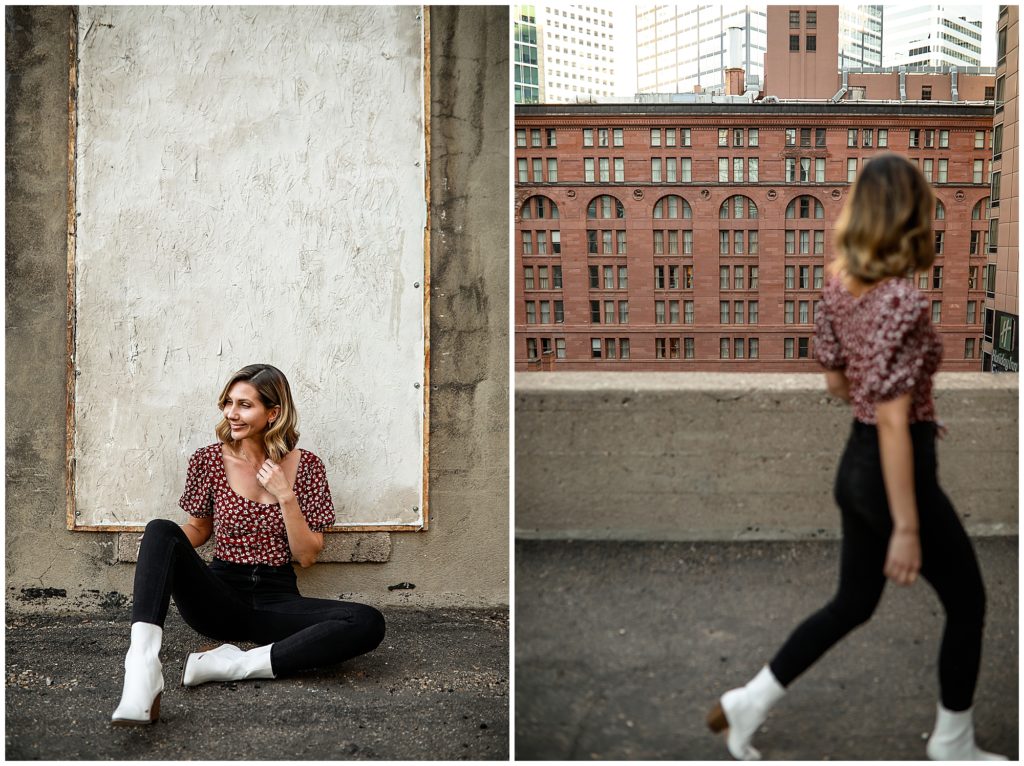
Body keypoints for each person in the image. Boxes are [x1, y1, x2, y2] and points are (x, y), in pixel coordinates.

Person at [706, 154, 1005, 761]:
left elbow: (836, 382)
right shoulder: (904, 301)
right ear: (907, 217)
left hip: (856, 466)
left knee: (853, 604)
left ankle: (748, 702)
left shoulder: (839, 285)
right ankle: (953, 743)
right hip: (897, 471)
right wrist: (907, 527)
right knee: (969, 601)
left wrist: (884, 393)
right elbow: (893, 418)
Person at [112, 363, 386, 725]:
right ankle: (142, 669)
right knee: (160, 530)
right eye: (228, 403)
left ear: (273, 413)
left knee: (367, 621)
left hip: (277, 601)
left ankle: (235, 665)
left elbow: (306, 556)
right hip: (219, 597)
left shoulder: (308, 468)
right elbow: (198, 528)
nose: (231, 413)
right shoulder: (209, 460)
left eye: (244, 405)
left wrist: (285, 495)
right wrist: (161, 549)